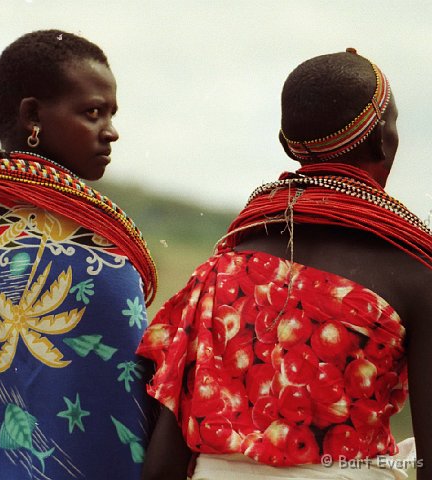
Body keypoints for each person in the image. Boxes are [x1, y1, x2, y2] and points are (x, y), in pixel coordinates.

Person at [138, 48, 432, 480]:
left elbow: (164, 459)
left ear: (285, 143)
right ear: (385, 140)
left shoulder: (222, 270)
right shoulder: (414, 273)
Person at [0, 29, 158, 479]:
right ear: (32, 115)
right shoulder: (94, 254)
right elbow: (120, 424)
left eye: (111, 114)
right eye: (92, 112)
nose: (111, 131)